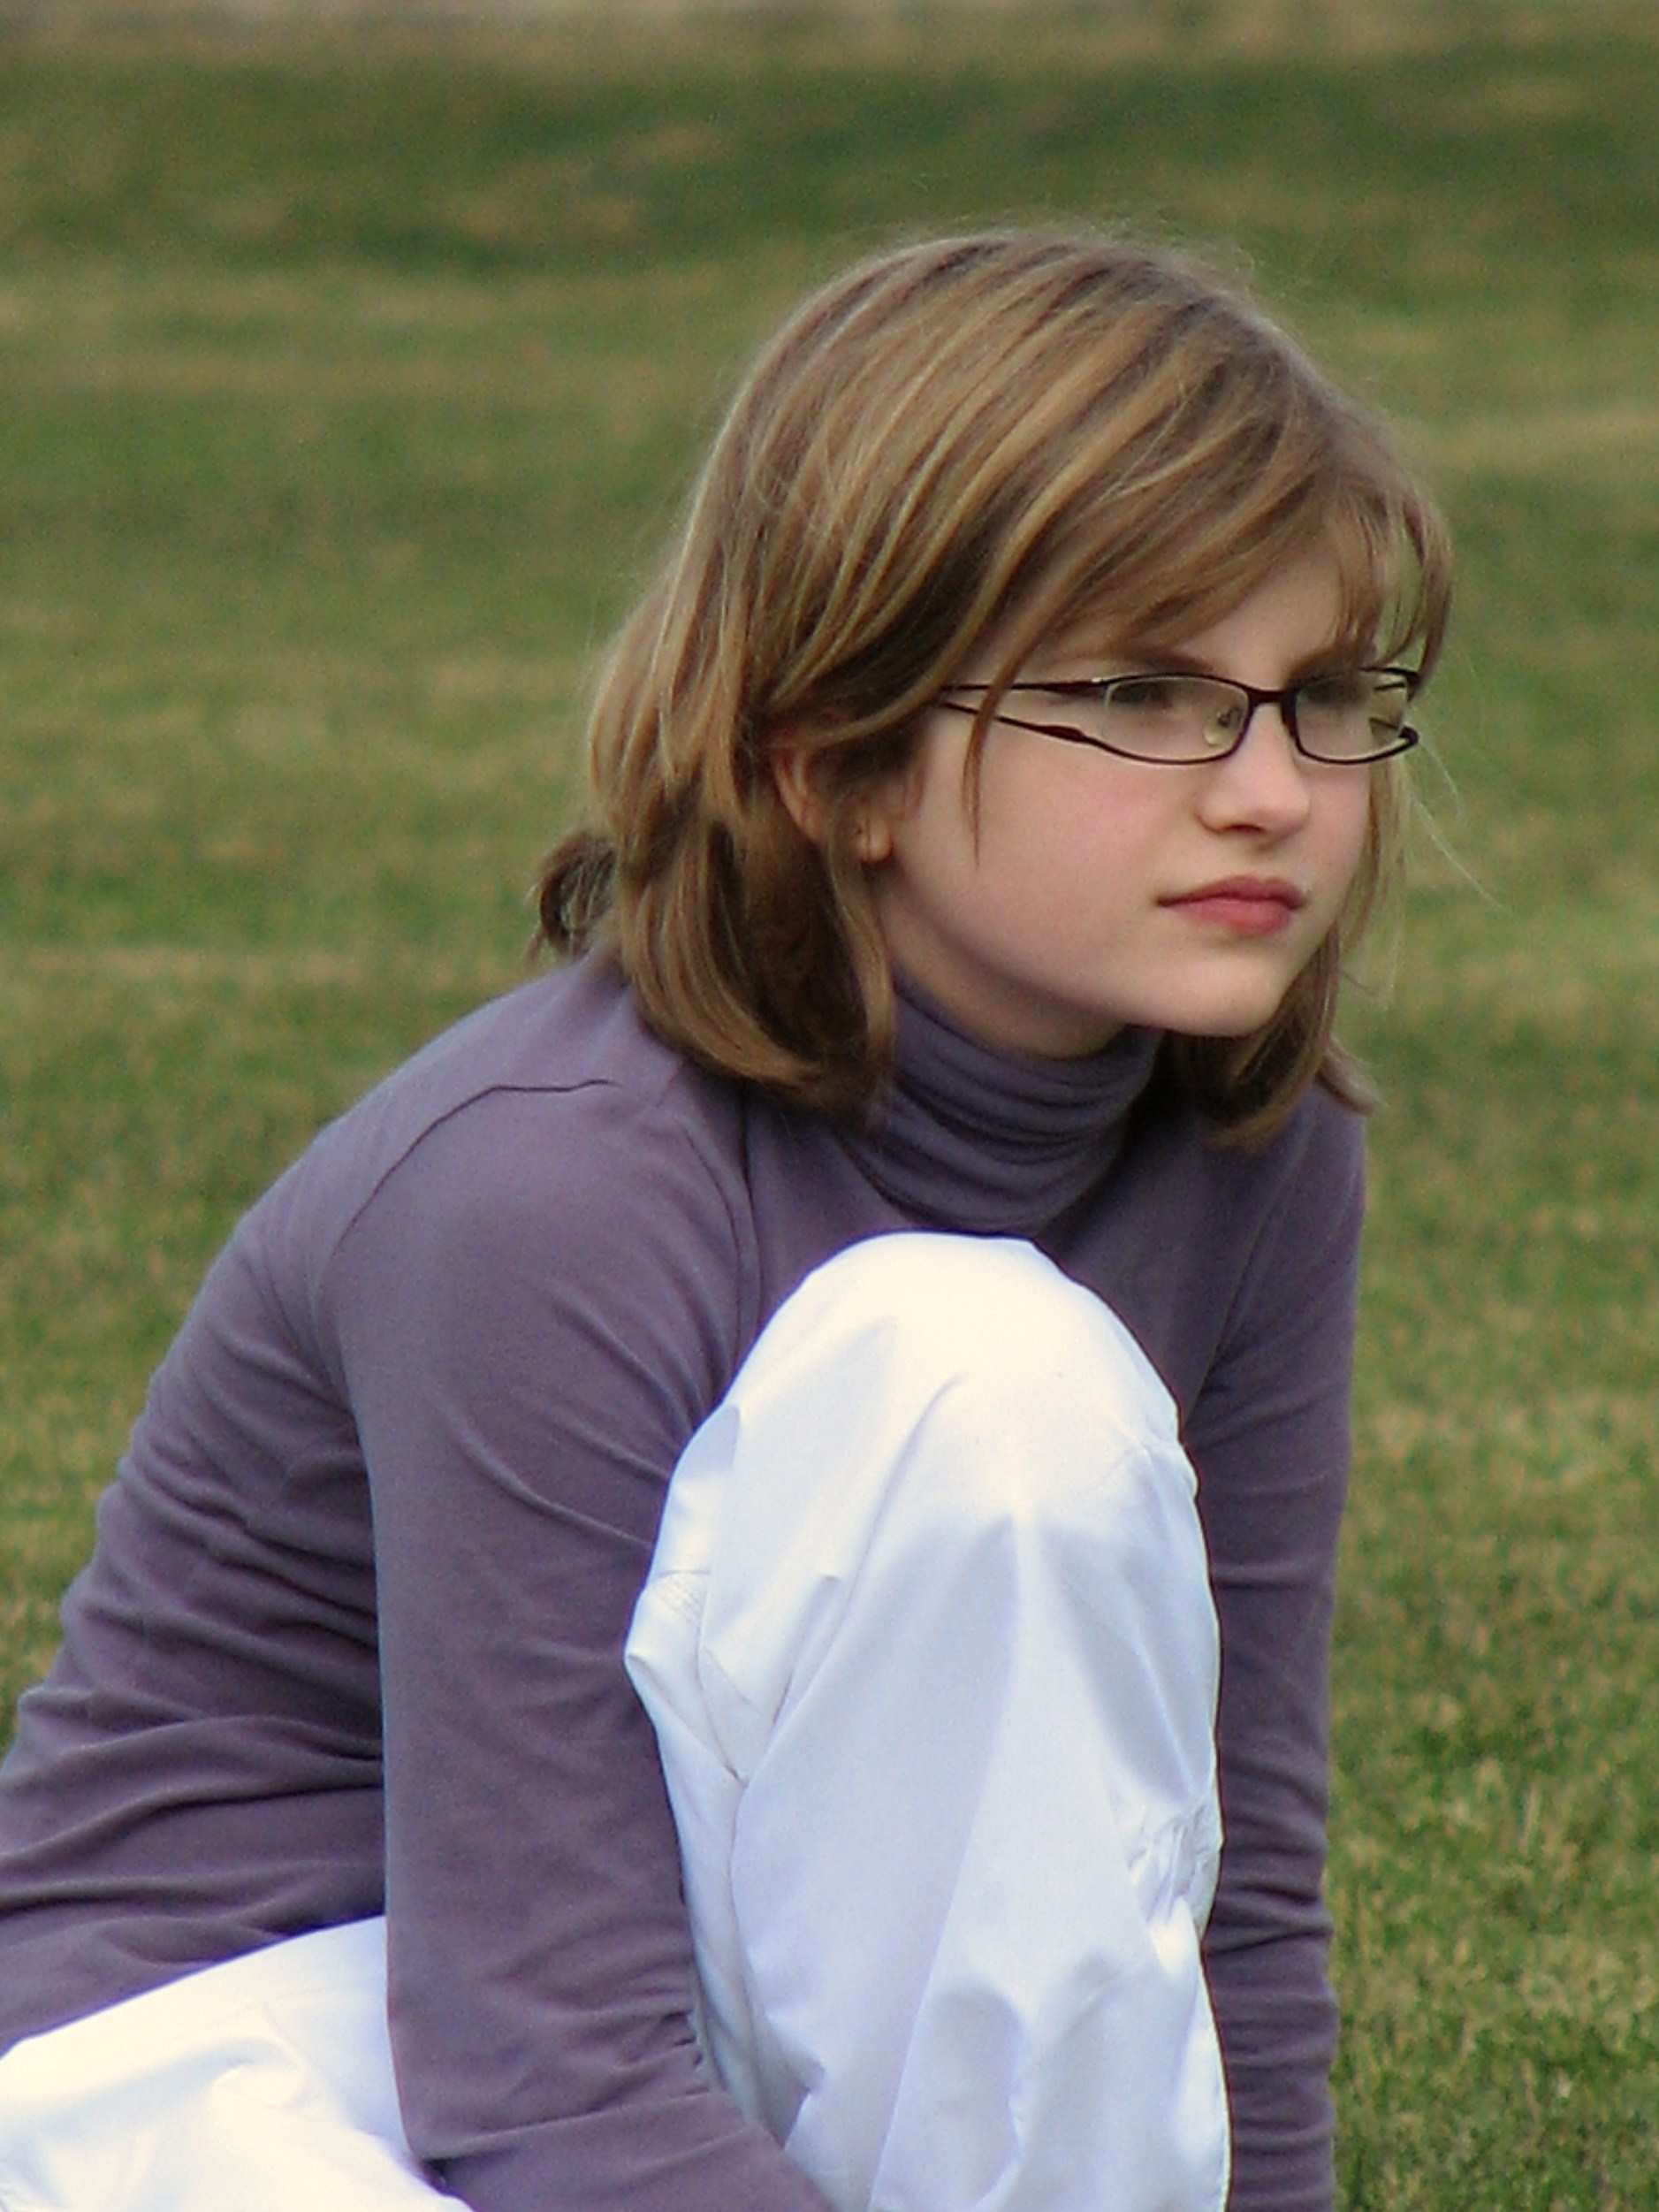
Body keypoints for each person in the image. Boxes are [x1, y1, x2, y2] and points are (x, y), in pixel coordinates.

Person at [0, 229, 1450, 2212]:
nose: (1273, 790)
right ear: (837, 762)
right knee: (975, 1367)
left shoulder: (1255, 1152)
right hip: (228, 2046)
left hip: (668, 1994)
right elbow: (543, 2069)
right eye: (1144, 693)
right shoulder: (550, 1191)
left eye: (1320, 696)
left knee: (1000, 1383)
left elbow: (1210, 1899)